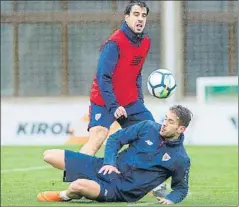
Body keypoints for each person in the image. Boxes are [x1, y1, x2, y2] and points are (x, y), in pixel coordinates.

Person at [37, 105, 193, 205]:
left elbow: (181, 188)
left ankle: (65, 195)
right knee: (49, 155)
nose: (165, 123)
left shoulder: (180, 158)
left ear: (181, 129)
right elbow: (115, 138)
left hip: (119, 189)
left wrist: (171, 199)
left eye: (171, 122)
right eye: (165, 119)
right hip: (105, 168)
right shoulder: (148, 127)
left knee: (77, 185)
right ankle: (86, 188)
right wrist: (109, 162)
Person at [80, 0, 155, 156]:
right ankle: (77, 177)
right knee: (97, 137)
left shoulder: (145, 42)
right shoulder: (114, 43)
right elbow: (103, 78)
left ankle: (144, 178)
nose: (140, 19)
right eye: (136, 14)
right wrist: (113, 106)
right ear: (126, 17)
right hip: (104, 101)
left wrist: (139, 100)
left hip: (130, 102)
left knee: (152, 134)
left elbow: (136, 73)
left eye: (143, 15)